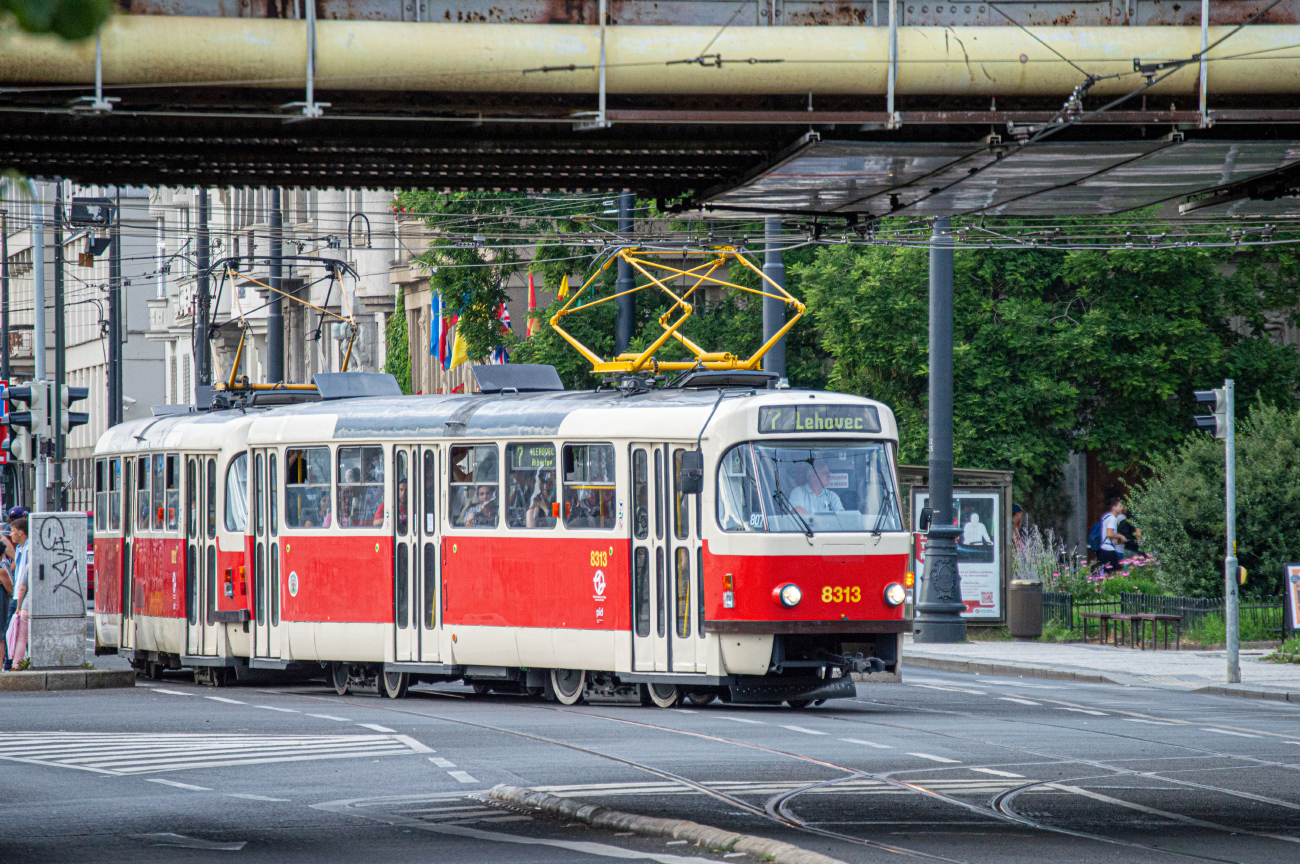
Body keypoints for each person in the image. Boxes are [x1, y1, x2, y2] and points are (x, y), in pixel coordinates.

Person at [5, 517, 30, 669]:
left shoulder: (28, 549)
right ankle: (14, 662)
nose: (11, 535)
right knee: (14, 632)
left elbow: (24, 579)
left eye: (13, 532)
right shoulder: (21, 549)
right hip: (17, 595)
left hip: (21, 597)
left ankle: (11, 664)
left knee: (16, 634)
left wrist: (19, 602)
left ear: (21, 533)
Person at [1099, 496, 1127, 572]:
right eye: (1120, 506)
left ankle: (1104, 584)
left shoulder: (1106, 517)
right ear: (1114, 507)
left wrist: (1117, 542)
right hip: (1109, 550)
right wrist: (1121, 536)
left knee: (1107, 573)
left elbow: (1107, 536)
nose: (1122, 508)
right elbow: (1109, 534)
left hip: (1104, 548)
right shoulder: (1112, 518)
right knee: (1119, 571)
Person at [0, 526, 14, 670]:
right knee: (1, 637)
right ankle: (2, 665)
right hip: (2, 604)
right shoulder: (2, 569)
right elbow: (10, 589)